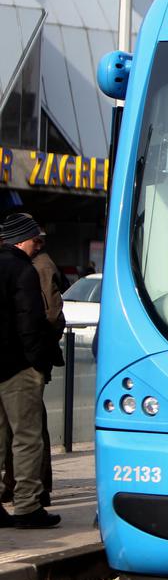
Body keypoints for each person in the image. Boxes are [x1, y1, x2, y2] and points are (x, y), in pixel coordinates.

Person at [0, 213, 61, 528]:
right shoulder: (23, 269)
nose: (38, 245)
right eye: (35, 239)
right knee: (27, 437)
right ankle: (26, 506)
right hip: (18, 367)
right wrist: (37, 362)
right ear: (23, 239)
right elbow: (30, 321)